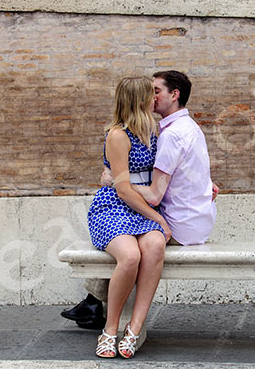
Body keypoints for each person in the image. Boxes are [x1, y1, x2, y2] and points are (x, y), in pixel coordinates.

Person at [62, 70, 217, 329]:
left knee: (138, 246)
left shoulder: (162, 132)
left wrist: (118, 180)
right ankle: (101, 312)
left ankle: (95, 302)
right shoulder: (159, 130)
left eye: (156, 92)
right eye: (150, 94)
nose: (153, 98)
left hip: (161, 212)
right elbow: (137, 186)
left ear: (174, 95)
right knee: (129, 249)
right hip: (159, 211)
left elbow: (160, 184)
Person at [86, 76, 171, 359]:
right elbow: (122, 190)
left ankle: (134, 328)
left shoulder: (153, 131)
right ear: (139, 100)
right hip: (115, 207)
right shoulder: (118, 135)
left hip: (144, 204)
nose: (155, 99)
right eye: (151, 95)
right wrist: (158, 219)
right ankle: (110, 329)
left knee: (155, 246)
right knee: (130, 257)